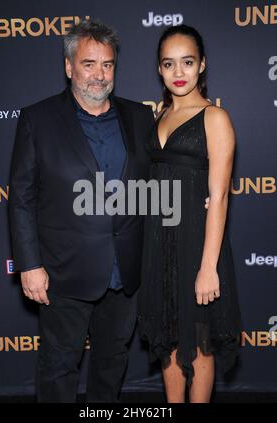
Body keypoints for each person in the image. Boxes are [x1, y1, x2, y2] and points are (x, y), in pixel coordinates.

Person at [8, 19, 155, 403]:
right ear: (69, 67)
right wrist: (29, 264)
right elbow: (21, 197)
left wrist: (193, 197)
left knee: (112, 362)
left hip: (125, 273)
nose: (99, 74)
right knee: (58, 367)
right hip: (62, 272)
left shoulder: (139, 116)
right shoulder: (37, 119)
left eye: (107, 64)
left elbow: (156, 181)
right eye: (89, 64)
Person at [137, 24, 242, 403]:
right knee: (167, 338)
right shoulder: (159, 116)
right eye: (169, 64)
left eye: (187, 62)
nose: (178, 73)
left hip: (196, 243)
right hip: (159, 242)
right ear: (159, 69)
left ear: (202, 66)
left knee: (198, 341)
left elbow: (219, 197)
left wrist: (208, 266)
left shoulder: (215, 118)